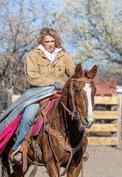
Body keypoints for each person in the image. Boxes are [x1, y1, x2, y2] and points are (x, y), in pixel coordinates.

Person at [10, 27, 76, 163]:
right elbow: (31, 77)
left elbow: (73, 73)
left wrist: (81, 78)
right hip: (38, 95)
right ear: (42, 42)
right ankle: (18, 148)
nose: (50, 44)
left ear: (56, 41)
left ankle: (79, 148)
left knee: (76, 115)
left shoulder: (64, 57)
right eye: (47, 41)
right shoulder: (33, 55)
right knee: (28, 117)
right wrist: (53, 83)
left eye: (53, 41)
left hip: (59, 95)